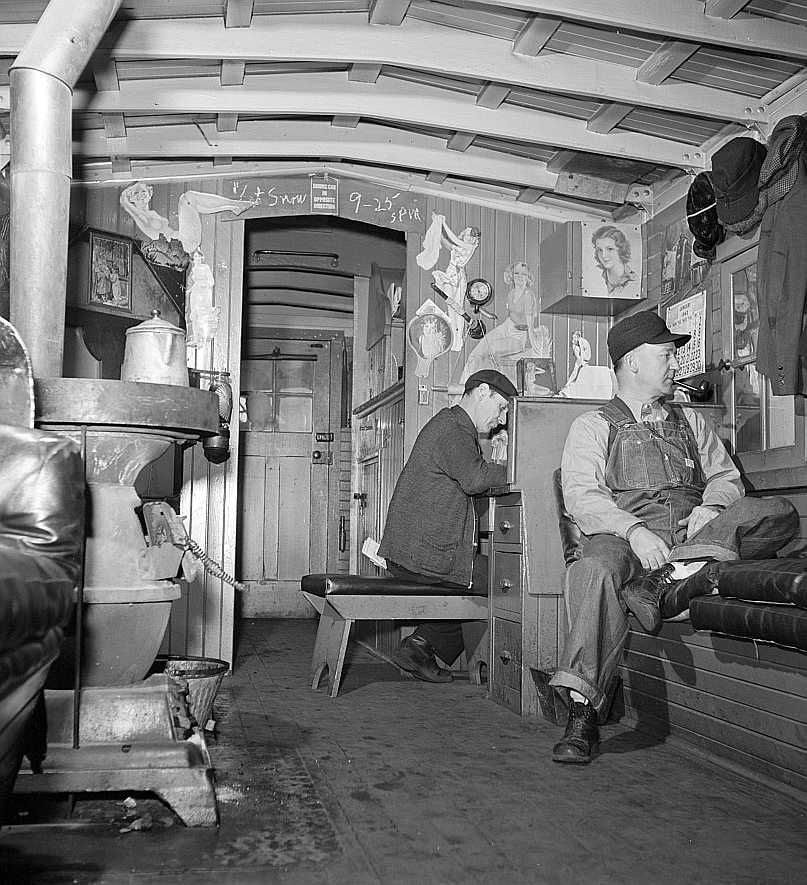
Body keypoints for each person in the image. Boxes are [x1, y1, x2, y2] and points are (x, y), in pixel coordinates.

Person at [549, 309, 798, 764]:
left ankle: (672, 574)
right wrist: (636, 531)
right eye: (665, 355)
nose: (674, 365)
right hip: (624, 535)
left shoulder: (692, 422)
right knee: (593, 568)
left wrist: (712, 505)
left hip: (694, 533)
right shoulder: (593, 426)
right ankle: (583, 714)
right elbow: (582, 498)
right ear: (633, 362)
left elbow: (727, 479)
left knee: (779, 513)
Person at [378, 369, 518, 682]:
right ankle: (491, 669)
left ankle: (420, 644)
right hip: (423, 556)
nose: (503, 419)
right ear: (482, 391)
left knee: (483, 578)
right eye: (502, 408)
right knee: (507, 580)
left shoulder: (453, 425)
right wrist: (522, 468)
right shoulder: (455, 429)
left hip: (413, 553)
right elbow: (475, 479)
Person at [459, 261, 552, 388]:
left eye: (524, 274)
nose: (520, 277)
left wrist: (536, 345)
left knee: (492, 348)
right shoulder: (512, 293)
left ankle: (483, 384)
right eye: (516, 273)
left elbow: (530, 325)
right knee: (479, 349)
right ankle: (463, 386)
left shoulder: (528, 296)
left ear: (528, 277)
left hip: (519, 335)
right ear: (512, 276)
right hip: (507, 326)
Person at [591, 225, 638, 295]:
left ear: (621, 250)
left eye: (610, 249)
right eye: (600, 250)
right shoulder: (597, 278)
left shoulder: (633, 281)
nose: (604, 255)